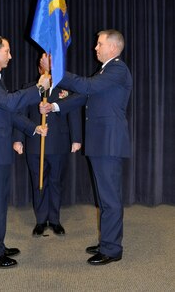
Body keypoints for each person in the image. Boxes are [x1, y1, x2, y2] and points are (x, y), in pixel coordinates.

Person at [40, 29, 132, 265]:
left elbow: (88, 87)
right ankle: (106, 242)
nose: (95, 48)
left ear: (113, 47)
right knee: (104, 197)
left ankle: (112, 249)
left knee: (110, 198)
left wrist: (57, 70)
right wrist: (57, 107)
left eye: (99, 44)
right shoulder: (106, 71)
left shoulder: (118, 69)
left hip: (108, 143)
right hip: (101, 143)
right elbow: (84, 96)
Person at [0, 35, 50, 268]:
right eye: (7, 51)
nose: (10, 56)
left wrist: (33, 128)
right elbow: (11, 103)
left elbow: (10, 114)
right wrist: (38, 88)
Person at [13, 58, 82, 237]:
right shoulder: (29, 89)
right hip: (35, 144)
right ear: (39, 68)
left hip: (59, 143)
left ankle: (55, 220)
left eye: (52, 66)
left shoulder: (65, 88)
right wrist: (18, 139)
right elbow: (20, 114)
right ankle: (41, 220)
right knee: (39, 182)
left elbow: (73, 113)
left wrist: (76, 139)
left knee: (56, 182)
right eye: (46, 66)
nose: (49, 69)